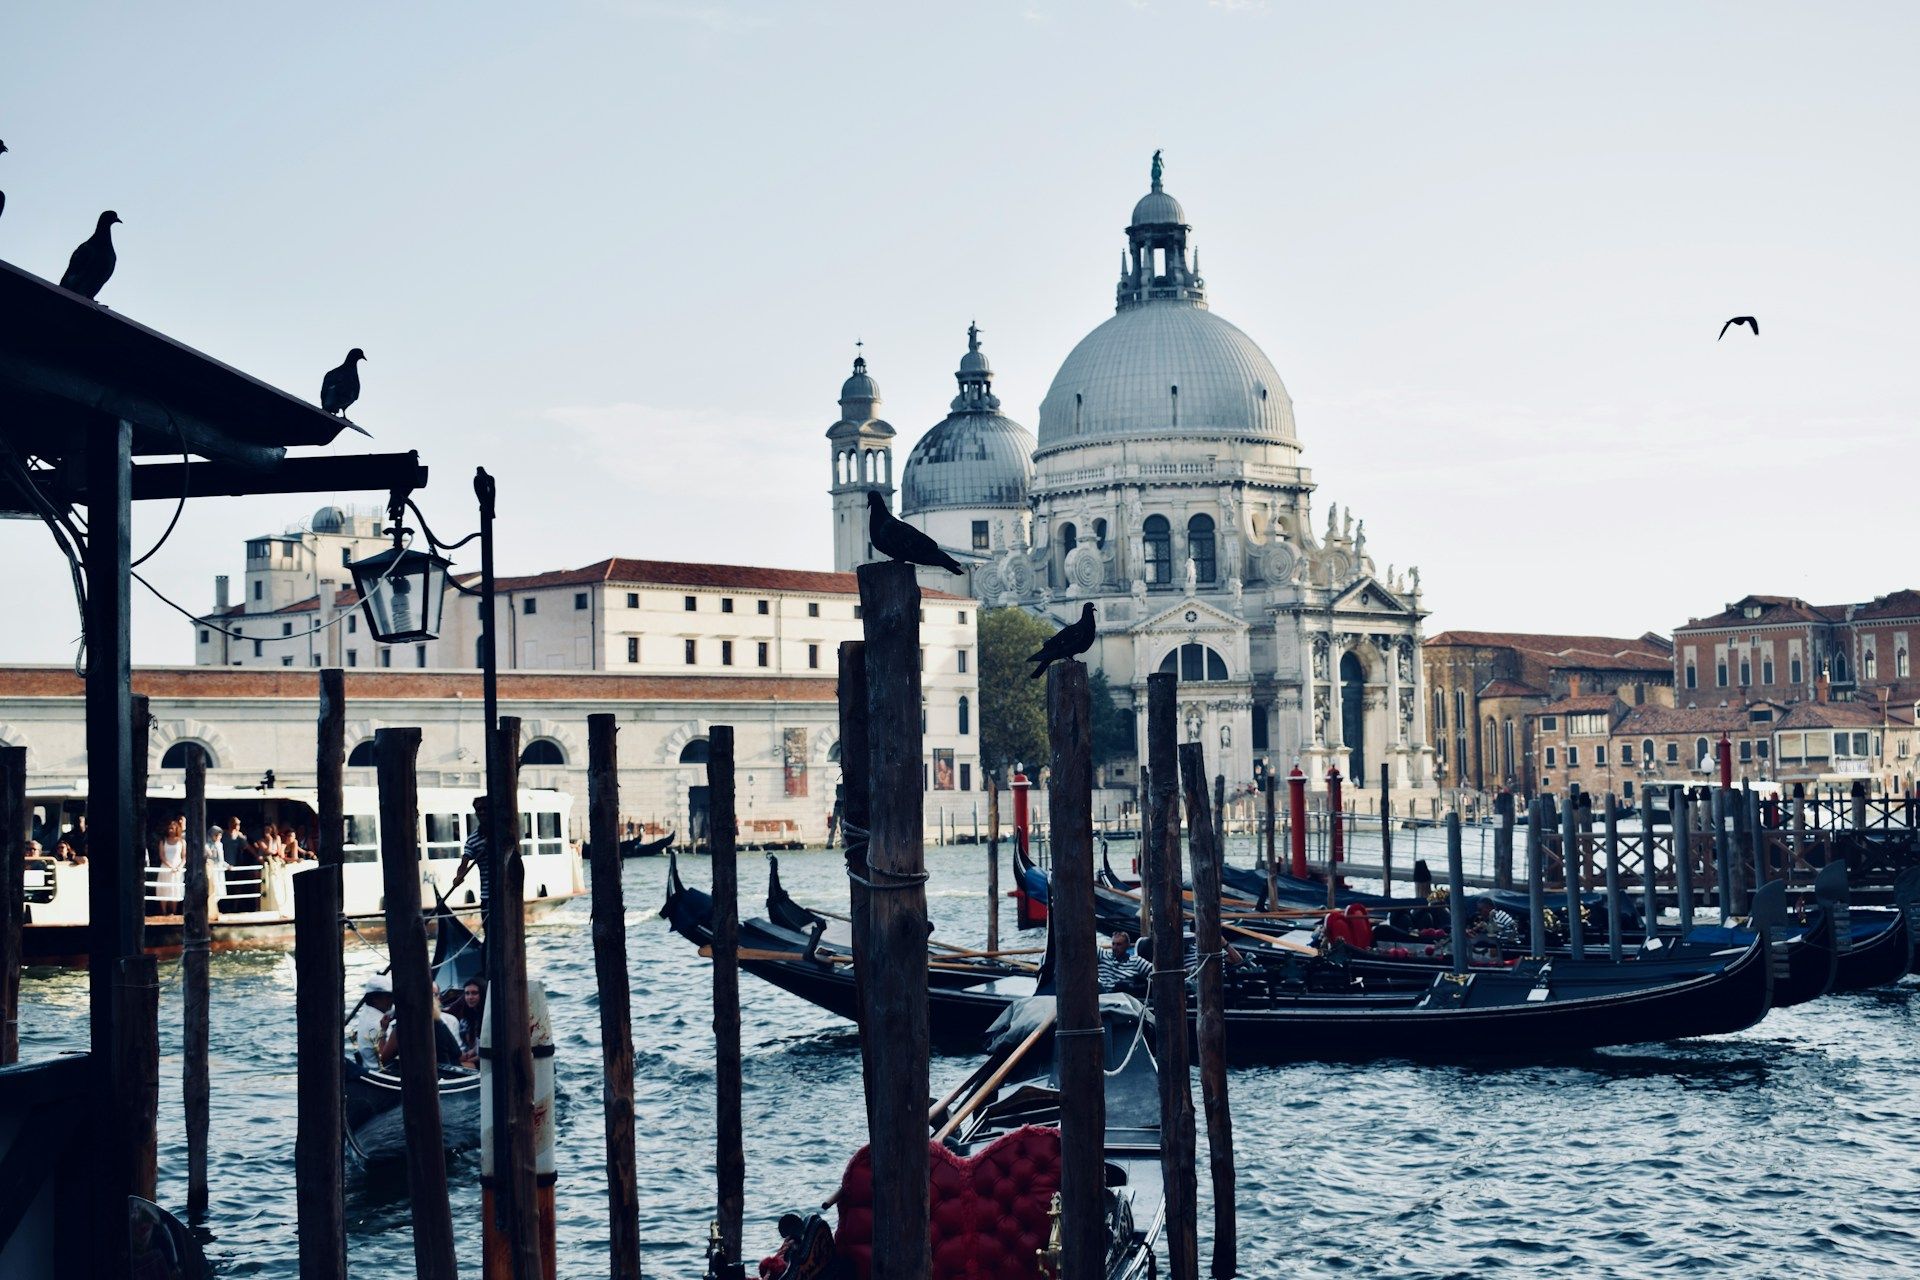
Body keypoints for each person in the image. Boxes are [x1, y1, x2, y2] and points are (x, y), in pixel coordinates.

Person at [451, 796, 492, 919]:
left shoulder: (502, 833)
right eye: (479, 810)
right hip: (487, 897)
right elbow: (464, 864)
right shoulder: (473, 840)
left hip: (506, 895)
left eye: (485, 809)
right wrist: (459, 877)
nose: (482, 812)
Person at [349, 976, 394, 1068]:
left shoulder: (367, 1011)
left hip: (368, 1063)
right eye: (388, 996)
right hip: (382, 1070)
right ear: (375, 998)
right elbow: (382, 1059)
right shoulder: (376, 1024)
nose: (392, 1000)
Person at [155, 816, 186, 907]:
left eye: (172, 828)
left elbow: (184, 857)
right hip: (166, 866)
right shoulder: (163, 841)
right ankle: (164, 911)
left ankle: (174, 911)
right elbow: (162, 855)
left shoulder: (182, 842)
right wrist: (169, 866)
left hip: (177, 867)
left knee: (175, 888)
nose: (170, 830)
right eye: (169, 828)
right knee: (164, 887)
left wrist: (179, 867)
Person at [454, 979, 485, 1067]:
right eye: (467, 993)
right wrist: (472, 1052)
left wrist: (467, 1059)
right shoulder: (466, 1018)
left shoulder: (487, 1018)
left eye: (474, 993)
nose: (470, 997)